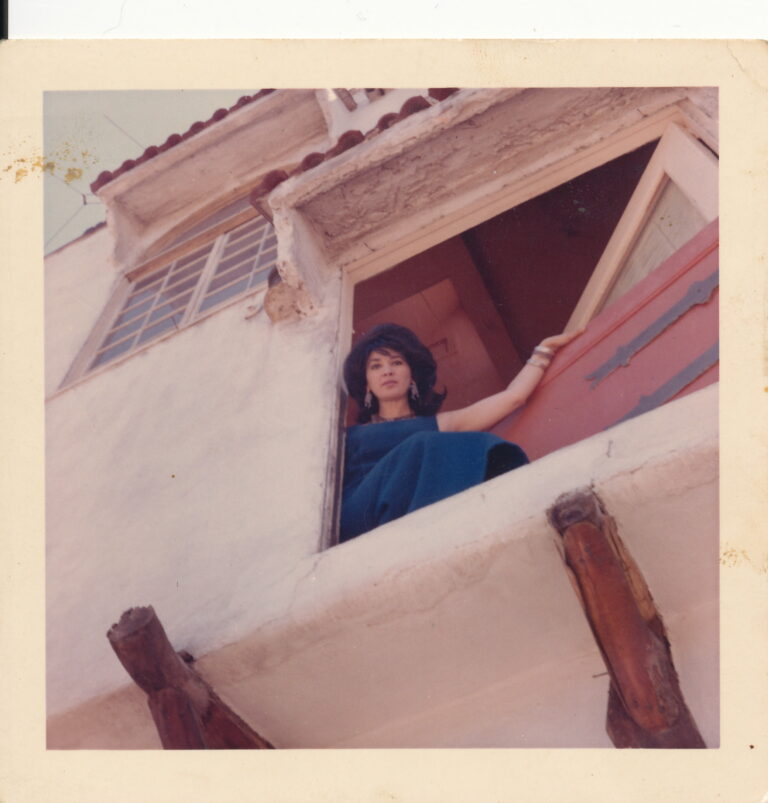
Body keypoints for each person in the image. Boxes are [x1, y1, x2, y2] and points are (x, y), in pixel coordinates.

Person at [339, 323, 581, 543]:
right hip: (360, 518)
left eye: (397, 363)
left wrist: (543, 352)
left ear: (411, 375)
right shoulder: (350, 436)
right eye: (376, 366)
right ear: (367, 382)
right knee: (424, 445)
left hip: (409, 518)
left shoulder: (436, 425)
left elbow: (513, 398)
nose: (387, 371)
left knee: (476, 445)